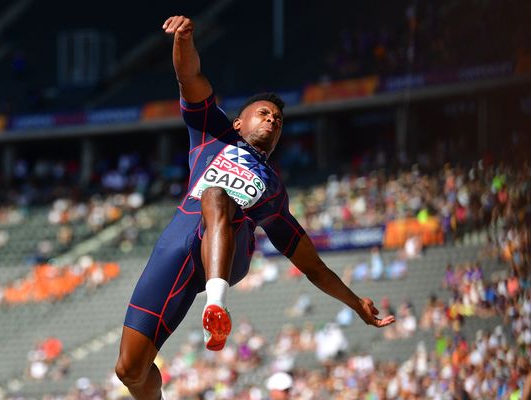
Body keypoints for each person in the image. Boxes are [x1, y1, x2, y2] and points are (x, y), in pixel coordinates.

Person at [115, 15, 395, 400]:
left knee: (216, 195)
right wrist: (182, 39)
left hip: (231, 248)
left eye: (278, 120)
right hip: (177, 243)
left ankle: (216, 310)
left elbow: (312, 265)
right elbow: (190, 77)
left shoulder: (274, 190)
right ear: (238, 121)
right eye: (264, 113)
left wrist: (356, 302)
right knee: (130, 370)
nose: (273, 119)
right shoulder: (212, 136)